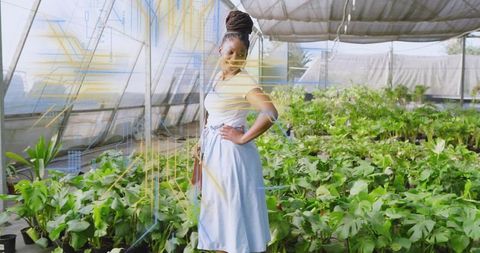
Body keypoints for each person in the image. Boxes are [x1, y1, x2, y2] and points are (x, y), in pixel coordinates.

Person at [196, 10, 278, 253]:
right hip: (215, 153)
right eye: (231, 52)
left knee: (231, 214)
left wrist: (242, 136)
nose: (235, 58)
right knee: (220, 214)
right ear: (220, 50)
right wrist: (201, 141)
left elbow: (270, 113)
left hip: (232, 157)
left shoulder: (244, 81)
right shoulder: (218, 78)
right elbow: (212, 114)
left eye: (242, 55)